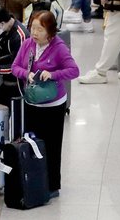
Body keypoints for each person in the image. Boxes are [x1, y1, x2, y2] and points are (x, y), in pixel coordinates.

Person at [10, 10, 78, 197]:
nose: (35, 32)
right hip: (32, 104)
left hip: (53, 106)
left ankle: (52, 185)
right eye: (33, 28)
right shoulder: (27, 45)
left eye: (40, 29)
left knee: (52, 145)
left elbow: (74, 70)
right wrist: (27, 74)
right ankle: (34, 179)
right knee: (32, 143)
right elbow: (15, 67)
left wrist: (53, 75)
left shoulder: (59, 47)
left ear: (50, 31)